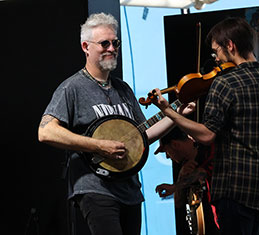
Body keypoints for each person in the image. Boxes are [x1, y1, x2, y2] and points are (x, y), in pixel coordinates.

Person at [38, 12, 193, 235]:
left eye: (115, 42)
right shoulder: (72, 88)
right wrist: (99, 146)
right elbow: (46, 132)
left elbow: (143, 137)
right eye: (105, 43)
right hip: (95, 190)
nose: (112, 48)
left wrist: (176, 113)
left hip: (130, 191)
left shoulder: (123, 89)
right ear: (86, 46)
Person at [150, 17, 259, 235]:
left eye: (216, 52)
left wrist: (169, 112)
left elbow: (207, 135)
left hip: (233, 189)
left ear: (230, 45)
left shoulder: (226, 82)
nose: (217, 60)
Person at [154, 127, 220, 235]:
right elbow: (179, 204)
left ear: (175, 145)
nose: (167, 156)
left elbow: (203, 173)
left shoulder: (207, 149)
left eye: (167, 151)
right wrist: (180, 179)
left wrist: (175, 187)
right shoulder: (185, 167)